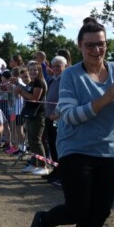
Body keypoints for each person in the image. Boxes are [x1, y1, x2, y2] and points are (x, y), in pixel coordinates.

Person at [26, 19, 114, 227]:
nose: (96, 50)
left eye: (100, 44)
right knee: (77, 209)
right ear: (80, 46)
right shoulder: (71, 75)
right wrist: (105, 98)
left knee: (100, 211)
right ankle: (43, 220)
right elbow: (68, 115)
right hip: (76, 150)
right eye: (90, 45)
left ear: (106, 44)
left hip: (109, 151)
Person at [15, 61, 48, 176]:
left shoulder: (39, 82)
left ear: (39, 71)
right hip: (30, 114)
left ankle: (43, 166)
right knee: (31, 140)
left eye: (35, 70)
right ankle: (34, 164)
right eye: (31, 70)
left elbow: (34, 98)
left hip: (38, 115)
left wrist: (21, 92)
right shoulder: (33, 82)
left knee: (36, 141)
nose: (33, 72)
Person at [43, 55, 67, 188]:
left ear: (64, 67)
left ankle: (61, 173)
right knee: (51, 144)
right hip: (48, 116)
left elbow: (63, 99)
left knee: (58, 146)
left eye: (59, 66)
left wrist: (56, 113)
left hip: (58, 118)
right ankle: (55, 170)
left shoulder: (65, 80)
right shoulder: (52, 79)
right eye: (55, 66)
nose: (56, 68)